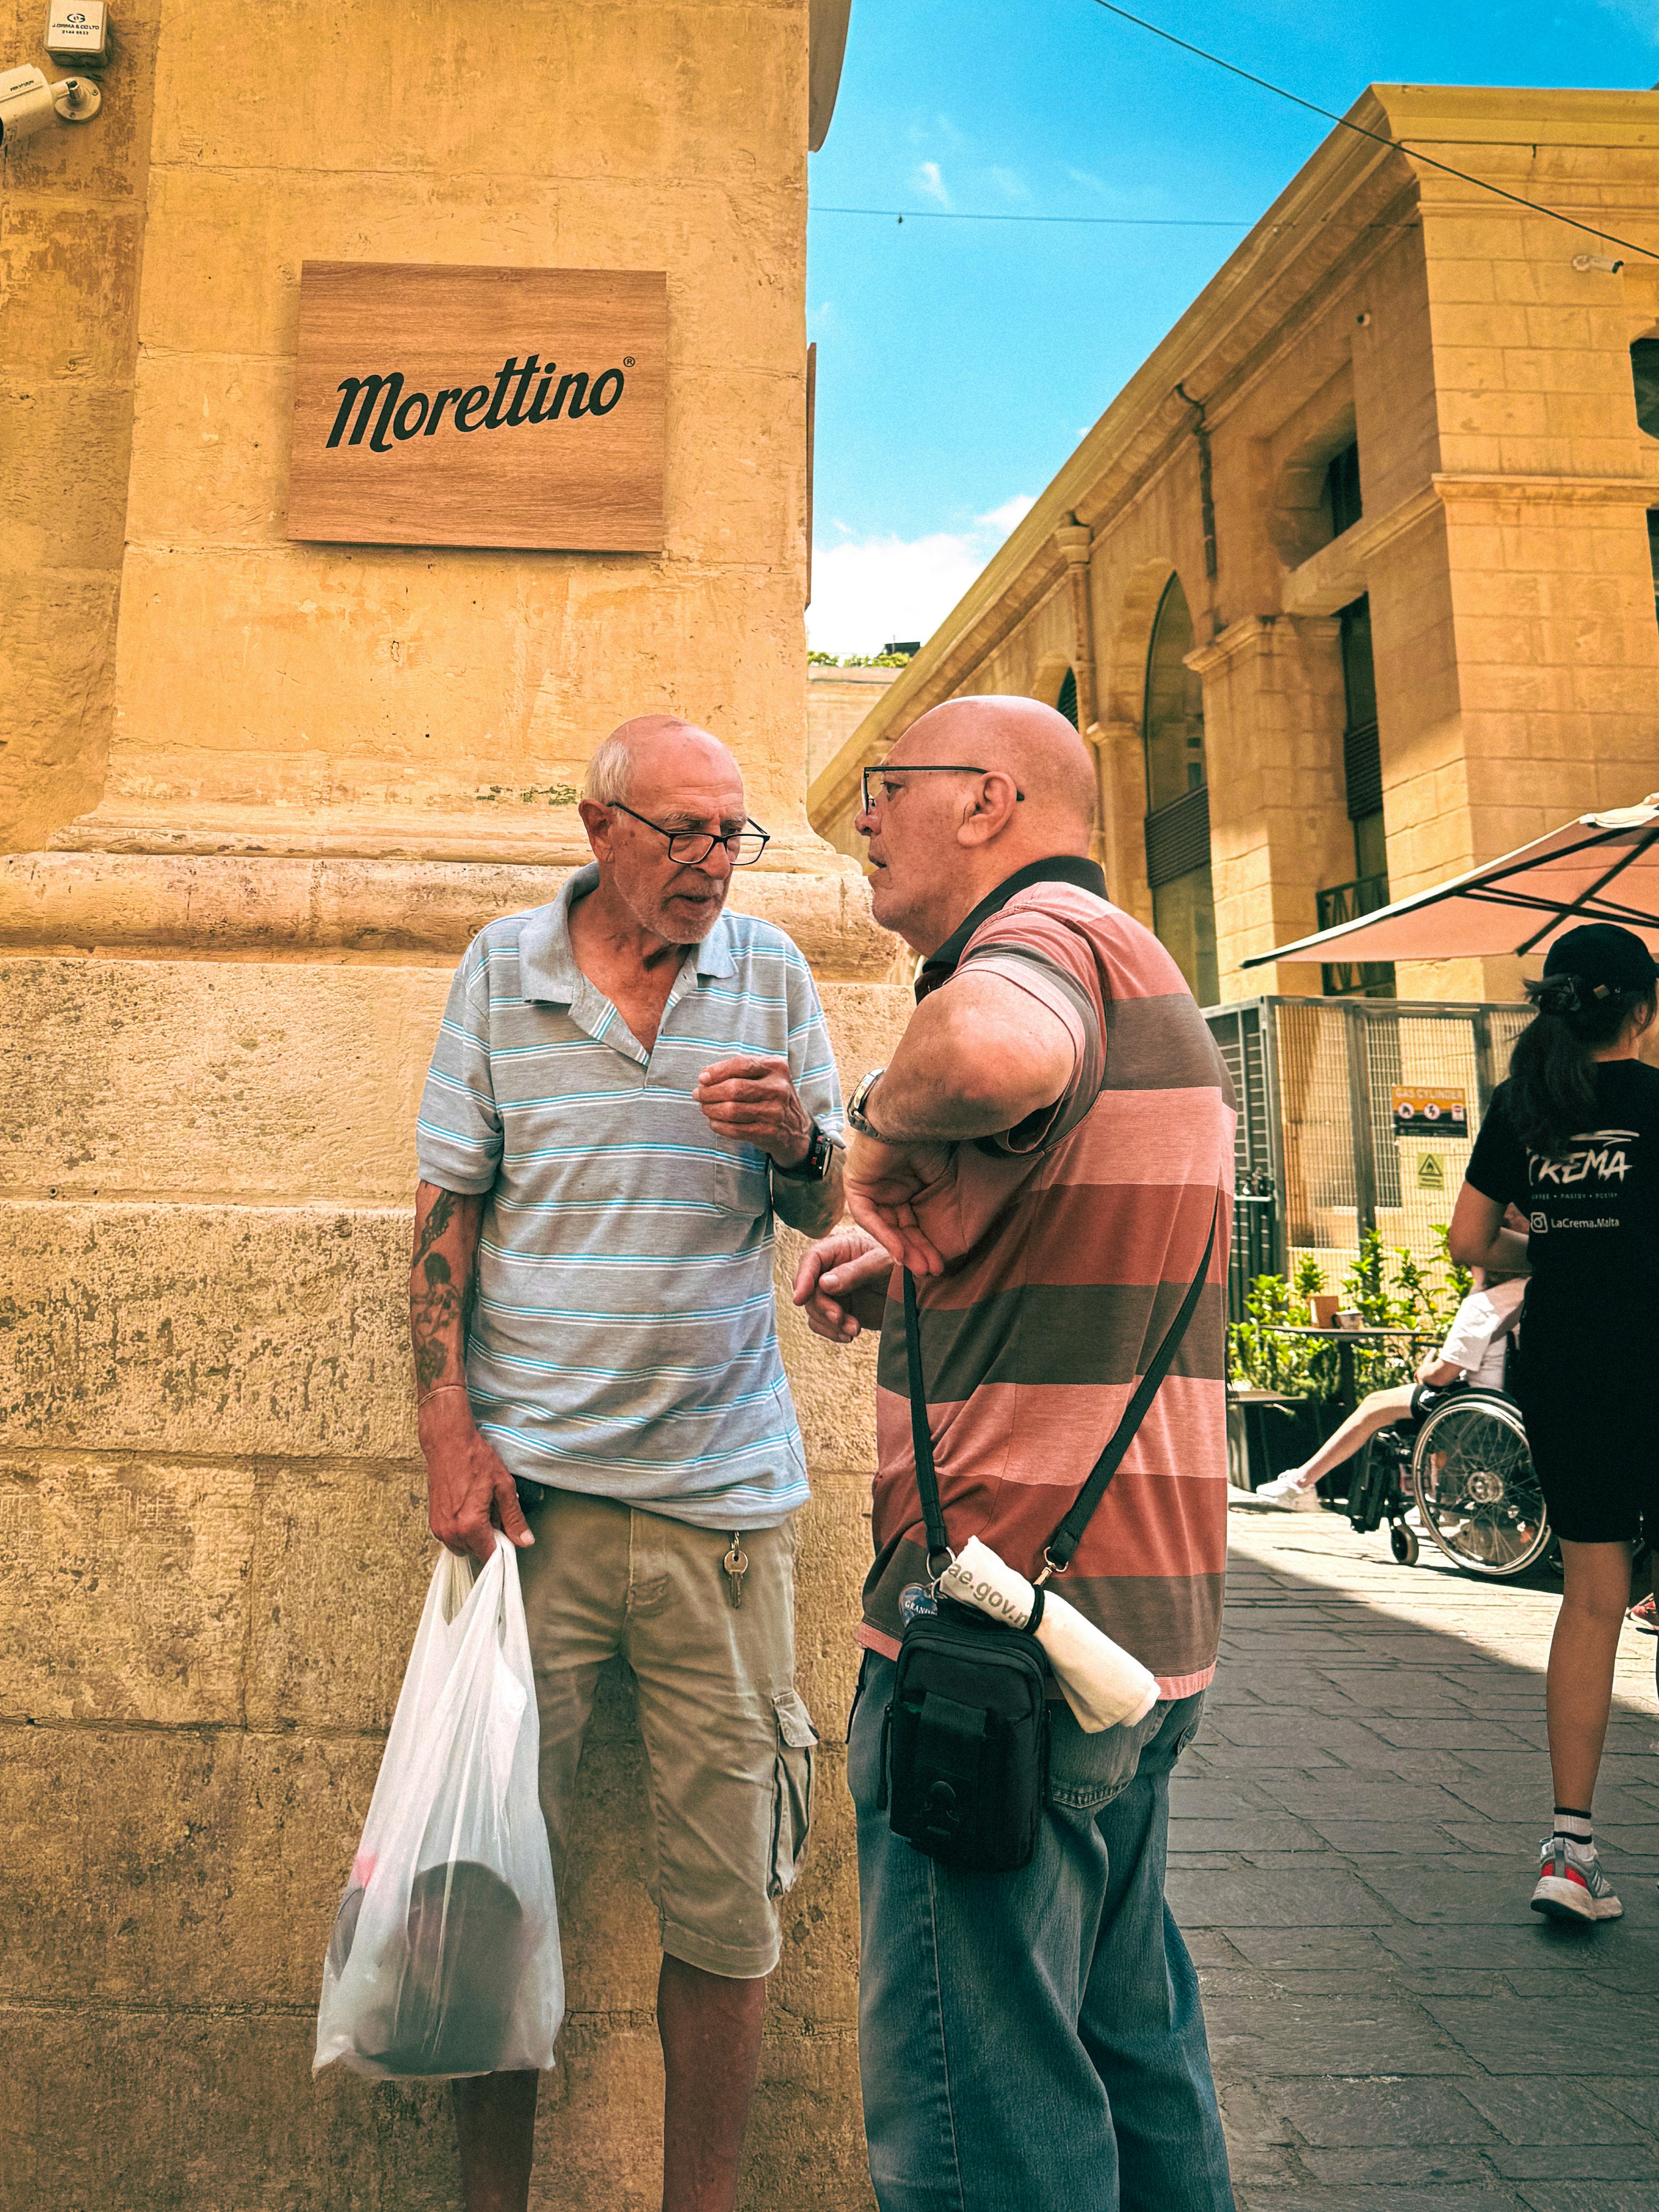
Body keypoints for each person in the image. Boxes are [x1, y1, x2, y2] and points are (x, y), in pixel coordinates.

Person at [794, 695, 1236, 2212]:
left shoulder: (1034, 940)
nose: (861, 817)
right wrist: (913, 1271)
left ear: (985, 802)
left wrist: (868, 1123)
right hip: (1131, 1633)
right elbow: (1054, 1195)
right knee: (1132, 2065)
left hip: (1001, 1656)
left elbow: (981, 1058)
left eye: (884, 785)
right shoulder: (1137, 965)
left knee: (981, 2130)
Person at [410, 714, 844, 2212]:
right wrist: (445, 1431)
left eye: (736, 835)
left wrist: (795, 1138)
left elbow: (833, 1208)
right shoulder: (498, 974)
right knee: (491, 1903)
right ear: (601, 830)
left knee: (729, 1916)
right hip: (532, 1518)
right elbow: (445, 1214)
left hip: (725, 1518)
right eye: (687, 834)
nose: (718, 864)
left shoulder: (773, 974)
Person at [1450, 920, 1659, 1926]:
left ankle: (1568, 1851)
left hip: (1564, 1371)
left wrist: (1559, 1232)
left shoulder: (1521, 1106)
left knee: (1591, 1599)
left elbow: (1465, 1240)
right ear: (1642, 1009)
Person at [1242, 1268, 1526, 1511]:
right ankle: (1437, 1505)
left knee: (1374, 1404)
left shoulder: (1484, 1303)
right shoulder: (1535, 1291)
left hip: (1476, 1406)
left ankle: (1301, 1483)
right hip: (1522, 1404)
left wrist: (1424, 1369)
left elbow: (1442, 1375)